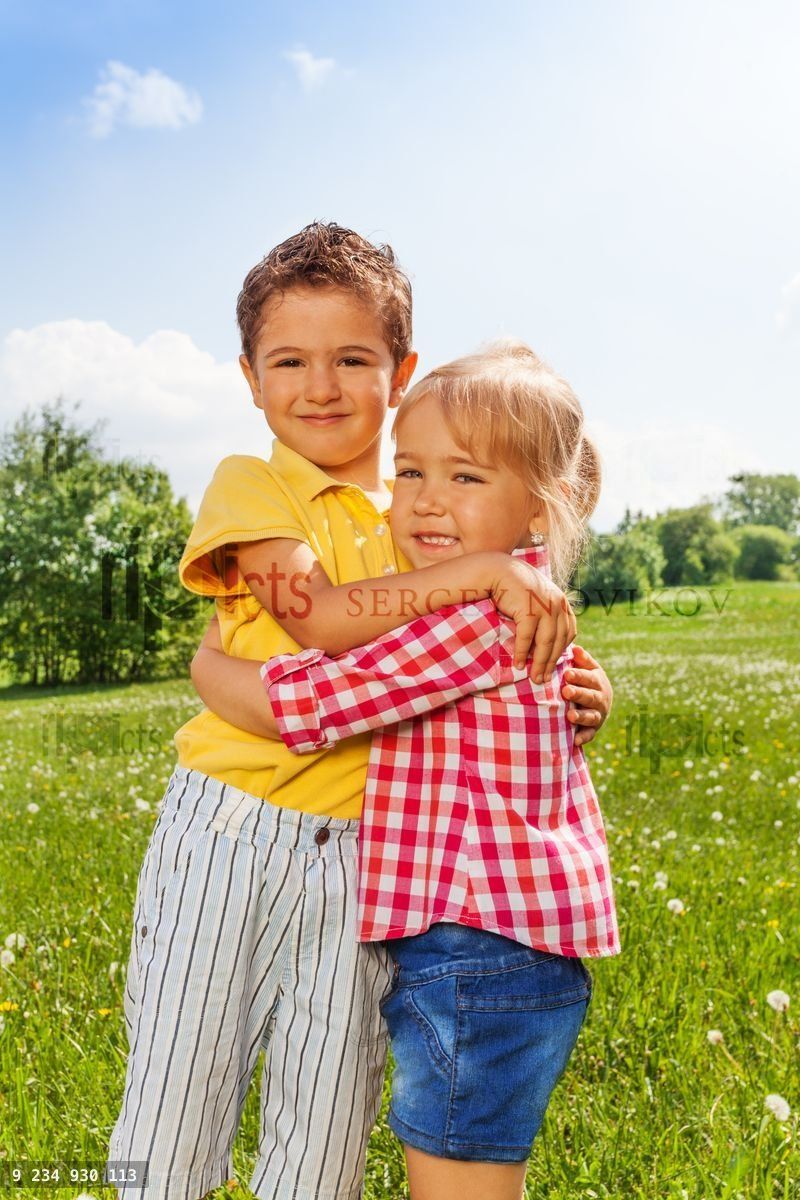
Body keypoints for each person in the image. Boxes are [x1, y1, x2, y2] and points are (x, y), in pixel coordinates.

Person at [107, 222, 612, 1200]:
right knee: (178, 1090)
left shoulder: (413, 507)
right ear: (250, 378)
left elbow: (476, 661)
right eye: (288, 361)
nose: (322, 386)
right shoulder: (251, 485)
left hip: (368, 858)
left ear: (400, 371)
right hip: (232, 824)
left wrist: (578, 685)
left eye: (352, 359)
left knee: (327, 1120)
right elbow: (324, 624)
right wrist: (479, 575)